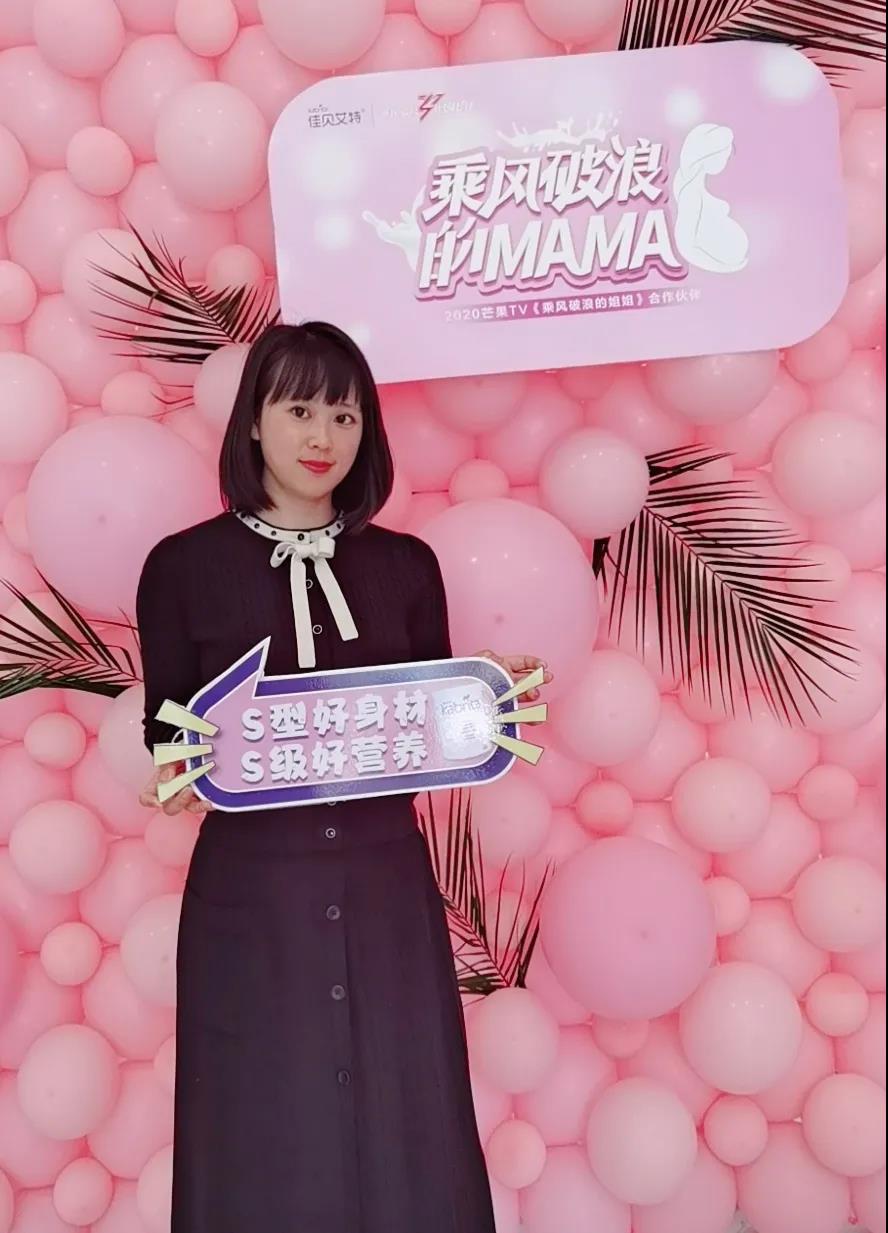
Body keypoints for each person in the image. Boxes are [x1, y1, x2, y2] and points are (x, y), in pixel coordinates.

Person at [136, 321, 550, 1233]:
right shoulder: (181, 569)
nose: (323, 436)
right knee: (259, 1129)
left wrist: (483, 705)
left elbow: (426, 733)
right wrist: (173, 772)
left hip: (385, 888)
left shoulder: (407, 567)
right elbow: (168, 741)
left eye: (345, 415)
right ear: (253, 422)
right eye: (299, 410)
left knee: (408, 1121)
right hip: (251, 901)